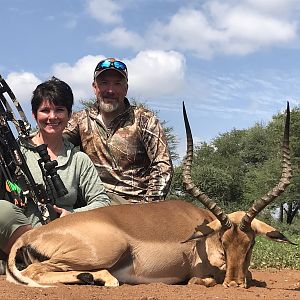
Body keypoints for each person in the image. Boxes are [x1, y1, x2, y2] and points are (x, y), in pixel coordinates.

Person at [0, 77, 111, 273]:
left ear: (69, 115)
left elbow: (102, 202)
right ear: (34, 115)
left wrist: (73, 215)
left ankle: (31, 263)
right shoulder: (14, 152)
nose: (52, 117)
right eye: (45, 110)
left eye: (59, 110)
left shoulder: (79, 159)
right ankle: (32, 259)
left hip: (64, 239)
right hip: (20, 237)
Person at [64, 58, 173, 204]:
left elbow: (162, 165)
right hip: (91, 202)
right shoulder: (80, 119)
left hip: (133, 206)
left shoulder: (144, 119)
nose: (110, 90)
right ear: (94, 87)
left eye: (117, 84)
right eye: (104, 83)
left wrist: (149, 208)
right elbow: (52, 142)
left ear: (126, 89)